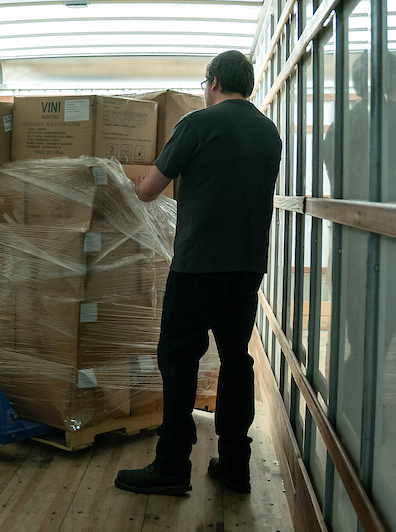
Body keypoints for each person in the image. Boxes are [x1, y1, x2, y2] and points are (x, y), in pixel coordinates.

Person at [115, 50, 281, 496]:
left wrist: (127, 182)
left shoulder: (196, 124)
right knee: (236, 361)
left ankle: (171, 466)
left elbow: (150, 190)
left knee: (178, 360)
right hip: (247, 268)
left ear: (211, 83)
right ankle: (234, 466)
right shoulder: (270, 133)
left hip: (197, 266)